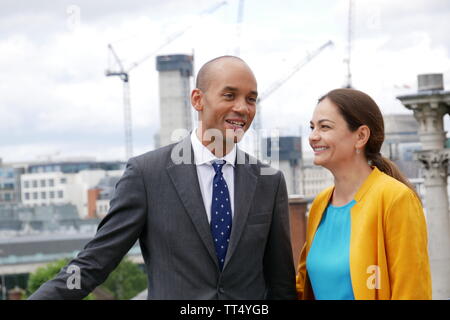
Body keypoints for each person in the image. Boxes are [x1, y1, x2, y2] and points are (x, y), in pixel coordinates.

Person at [29, 56, 297, 300]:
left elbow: (281, 282)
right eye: (229, 95)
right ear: (197, 99)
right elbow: (94, 262)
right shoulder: (146, 175)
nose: (242, 108)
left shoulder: (269, 182)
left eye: (251, 99)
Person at [296, 88, 432, 300]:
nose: (313, 137)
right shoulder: (320, 204)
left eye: (325, 127)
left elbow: (411, 292)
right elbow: (302, 286)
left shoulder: (396, 199)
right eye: (312, 127)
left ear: (360, 136)